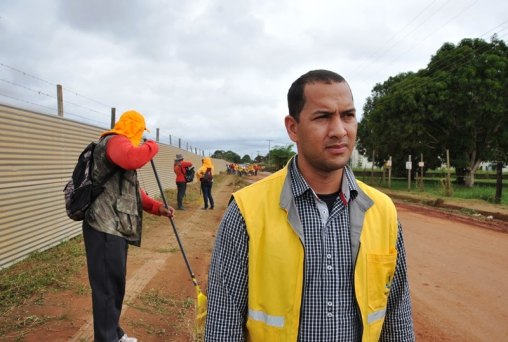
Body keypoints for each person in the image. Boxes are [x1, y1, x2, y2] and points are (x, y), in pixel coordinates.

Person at [205, 70, 415, 341]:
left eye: (348, 115)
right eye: (323, 117)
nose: (339, 130)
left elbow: (397, 316)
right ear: (293, 127)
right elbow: (224, 323)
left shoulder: (382, 210)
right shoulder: (247, 212)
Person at [82, 110, 175, 342]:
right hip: (104, 228)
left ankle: (114, 333)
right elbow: (133, 158)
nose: (142, 138)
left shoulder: (121, 149)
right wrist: (152, 146)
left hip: (115, 229)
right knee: (106, 289)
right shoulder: (114, 142)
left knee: (114, 285)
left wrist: (157, 207)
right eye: (141, 133)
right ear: (134, 129)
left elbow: (133, 192)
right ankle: (107, 339)